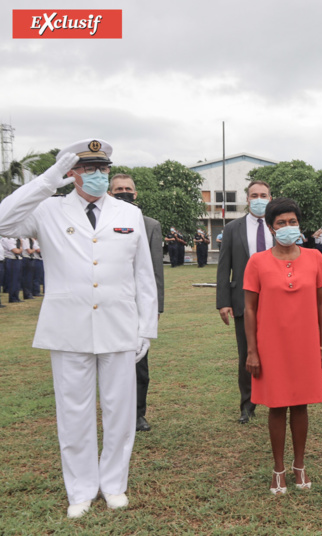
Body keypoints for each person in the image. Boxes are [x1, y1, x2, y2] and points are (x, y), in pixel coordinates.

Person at [0, 139, 158, 518]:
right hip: (68, 327)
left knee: (120, 411)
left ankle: (114, 484)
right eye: (88, 169)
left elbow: (143, 276)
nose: (98, 176)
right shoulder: (49, 209)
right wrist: (49, 177)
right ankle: (81, 489)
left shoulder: (128, 213)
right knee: (74, 412)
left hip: (119, 325)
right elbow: (3, 220)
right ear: (71, 173)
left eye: (103, 169)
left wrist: (145, 328)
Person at [243, 198, 322, 494]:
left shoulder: (315, 258)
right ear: (270, 227)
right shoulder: (257, 262)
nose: (288, 227)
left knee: (301, 404)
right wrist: (253, 351)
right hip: (271, 346)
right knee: (277, 405)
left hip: (306, 343)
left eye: (292, 222)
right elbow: (251, 309)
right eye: (281, 223)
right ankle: (278, 468)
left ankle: (299, 465)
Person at [109, 173, 165, 433]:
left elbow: (154, 271)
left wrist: (156, 308)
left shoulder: (150, 225)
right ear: (110, 193)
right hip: (106, 304)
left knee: (138, 364)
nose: (123, 192)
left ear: (136, 193)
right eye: (118, 188)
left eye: (128, 188)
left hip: (136, 307)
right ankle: (114, 416)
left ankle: (138, 414)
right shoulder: (98, 222)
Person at [216, 180, 273, 424]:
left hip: (276, 300)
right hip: (242, 300)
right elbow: (223, 268)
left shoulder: (278, 226)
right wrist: (223, 302)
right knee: (247, 354)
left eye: (263, 195)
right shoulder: (232, 229)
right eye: (254, 195)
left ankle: (275, 398)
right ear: (247, 199)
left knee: (275, 352)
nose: (259, 198)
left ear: (270, 198)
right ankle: (247, 405)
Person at [2, 236, 23, 303]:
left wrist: (20, 247)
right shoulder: (7, 239)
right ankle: (12, 298)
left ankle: (16, 297)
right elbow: (16, 251)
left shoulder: (16, 239)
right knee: (13, 280)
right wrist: (21, 248)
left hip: (17, 260)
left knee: (17, 280)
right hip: (11, 260)